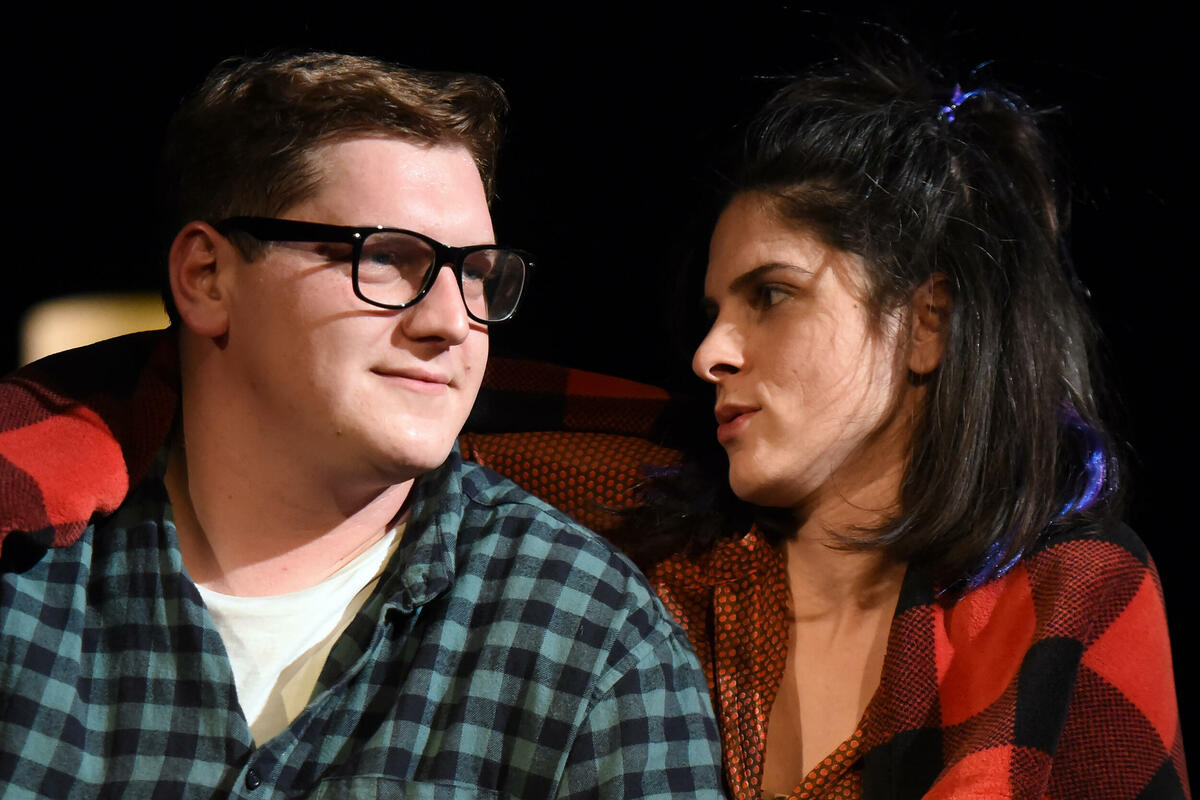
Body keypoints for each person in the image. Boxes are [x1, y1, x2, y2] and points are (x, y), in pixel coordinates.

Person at [0, 51, 722, 798]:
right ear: (206, 278)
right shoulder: (26, 583)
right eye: (385, 258)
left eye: (476, 273)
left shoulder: (593, 642)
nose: (451, 323)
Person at [642, 54, 1190, 799]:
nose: (710, 354)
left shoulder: (1073, 588)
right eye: (713, 315)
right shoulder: (660, 575)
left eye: (771, 295)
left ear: (927, 322)